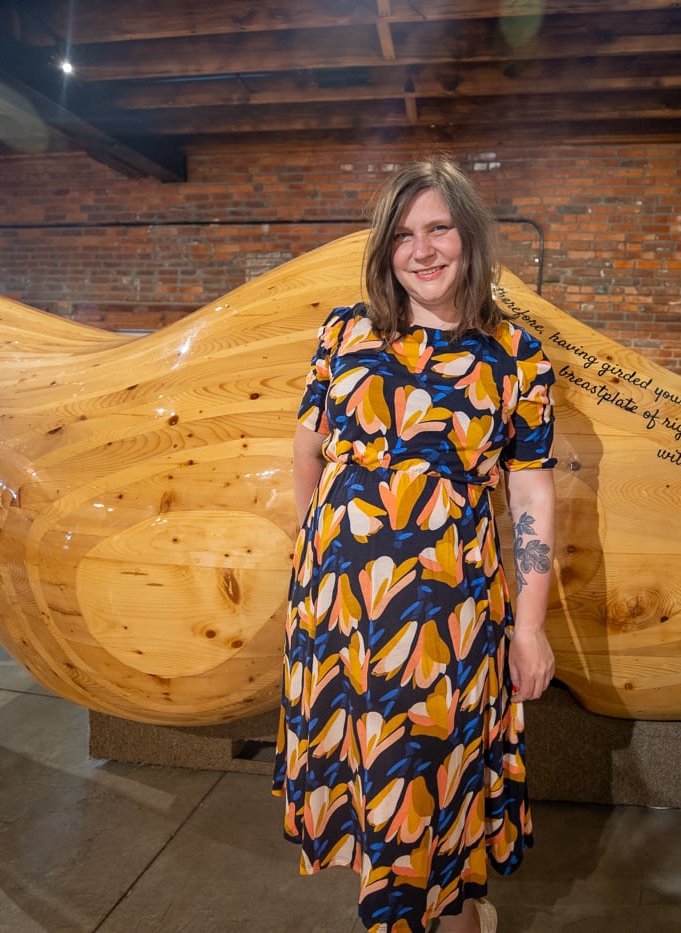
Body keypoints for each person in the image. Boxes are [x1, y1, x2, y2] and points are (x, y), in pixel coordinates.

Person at [273, 158, 557, 933]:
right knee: (374, 795)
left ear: (468, 234)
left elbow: (529, 494)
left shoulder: (516, 355)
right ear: (383, 249)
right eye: (402, 235)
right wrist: (314, 558)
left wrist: (528, 627)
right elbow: (308, 450)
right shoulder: (346, 330)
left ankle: (445, 915)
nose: (422, 250)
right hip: (340, 621)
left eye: (437, 228)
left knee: (435, 793)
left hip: (446, 623)